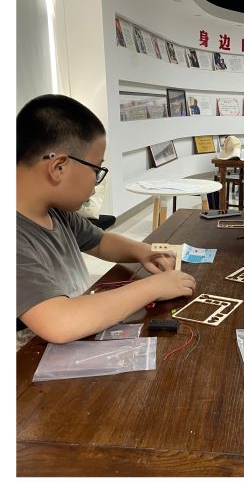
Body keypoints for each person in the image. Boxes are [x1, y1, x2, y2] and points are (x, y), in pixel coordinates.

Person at [17, 95, 195, 346]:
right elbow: (59, 323)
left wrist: (143, 251)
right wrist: (154, 287)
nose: (96, 183)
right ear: (58, 168)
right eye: (96, 170)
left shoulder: (55, 211)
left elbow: (100, 242)